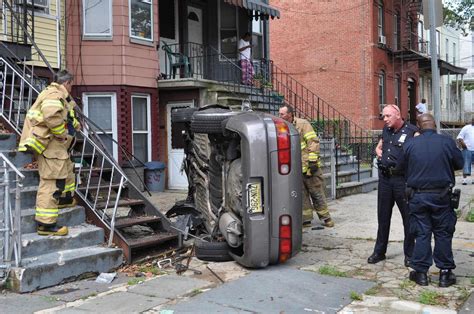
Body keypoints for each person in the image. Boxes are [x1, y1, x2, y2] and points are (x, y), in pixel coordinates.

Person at [402, 113, 463, 287]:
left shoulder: (410, 144)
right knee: (443, 233)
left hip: (418, 195)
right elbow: (459, 163)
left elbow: (402, 167)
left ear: (419, 127)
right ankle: (445, 273)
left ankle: (421, 273)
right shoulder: (447, 142)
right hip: (442, 195)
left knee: (422, 233)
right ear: (434, 125)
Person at [18, 70, 80, 236]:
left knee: (65, 173)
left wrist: (74, 123)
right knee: (51, 184)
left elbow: (65, 115)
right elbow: (51, 115)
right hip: (52, 146)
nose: (71, 89)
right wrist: (62, 134)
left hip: (56, 148)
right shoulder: (53, 94)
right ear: (67, 83)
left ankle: (64, 200)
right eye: (71, 85)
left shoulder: (58, 95)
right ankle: (46, 225)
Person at [368, 104, 418, 266]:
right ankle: (379, 252)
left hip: (402, 180)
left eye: (388, 116)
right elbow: (381, 145)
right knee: (383, 217)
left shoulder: (412, 131)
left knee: (408, 218)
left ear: (398, 115)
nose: (385, 119)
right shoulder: (386, 130)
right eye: (383, 116)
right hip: (385, 179)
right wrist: (377, 149)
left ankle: (409, 254)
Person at [278, 104, 334, 228]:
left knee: (317, 193)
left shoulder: (303, 124)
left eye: (282, 114)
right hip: (296, 169)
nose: (279, 116)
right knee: (302, 196)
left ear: (290, 114)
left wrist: (313, 162)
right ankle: (306, 219)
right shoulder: (282, 127)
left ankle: (326, 218)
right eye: (279, 113)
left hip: (310, 168)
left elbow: (313, 142)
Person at [456, 117, 474, 185]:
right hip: (467, 149)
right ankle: (464, 180)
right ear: (472, 120)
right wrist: (463, 144)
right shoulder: (466, 127)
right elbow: (460, 137)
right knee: (466, 164)